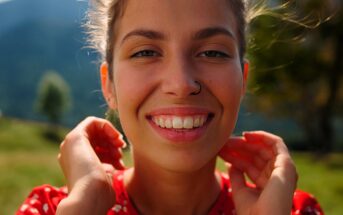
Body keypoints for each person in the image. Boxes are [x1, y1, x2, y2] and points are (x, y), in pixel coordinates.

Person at [17, 0, 324, 214]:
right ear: (109, 84)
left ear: (242, 81)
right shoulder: (51, 210)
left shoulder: (291, 211)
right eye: (146, 51)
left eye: (213, 53)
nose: (180, 83)